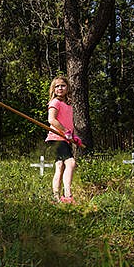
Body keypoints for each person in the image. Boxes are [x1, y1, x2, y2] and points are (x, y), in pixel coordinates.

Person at [45, 76, 82, 204]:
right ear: (53, 89)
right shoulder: (55, 102)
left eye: (62, 85)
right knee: (71, 163)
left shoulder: (68, 105)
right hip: (56, 138)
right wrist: (65, 132)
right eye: (57, 86)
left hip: (64, 138)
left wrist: (73, 136)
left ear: (67, 88)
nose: (60, 88)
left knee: (60, 166)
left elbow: (67, 123)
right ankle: (68, 195)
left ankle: (56, 197)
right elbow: (52, 120)